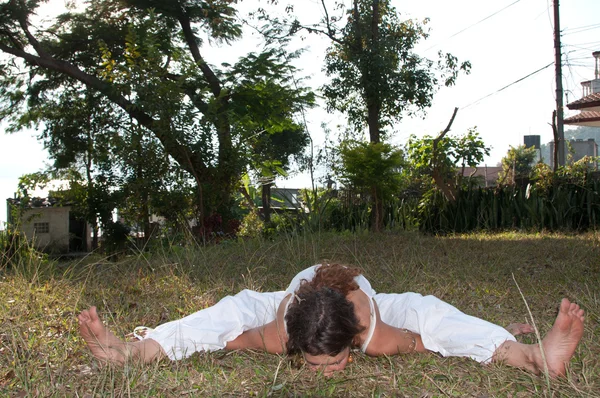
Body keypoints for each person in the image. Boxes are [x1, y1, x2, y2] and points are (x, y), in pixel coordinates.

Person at [78, 263, 585, 377]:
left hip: (369, 299)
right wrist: (213, 340)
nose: (326, 372)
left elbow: (420, 341)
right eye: (316, 361)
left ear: (354, 341)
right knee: (227, 312)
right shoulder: (281, 332)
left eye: (335, 359)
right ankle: (132, 350)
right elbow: (236, 337)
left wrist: (483, 339)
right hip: (288, 298)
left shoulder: (372, 329)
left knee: (431, 312)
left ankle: (533, 356)